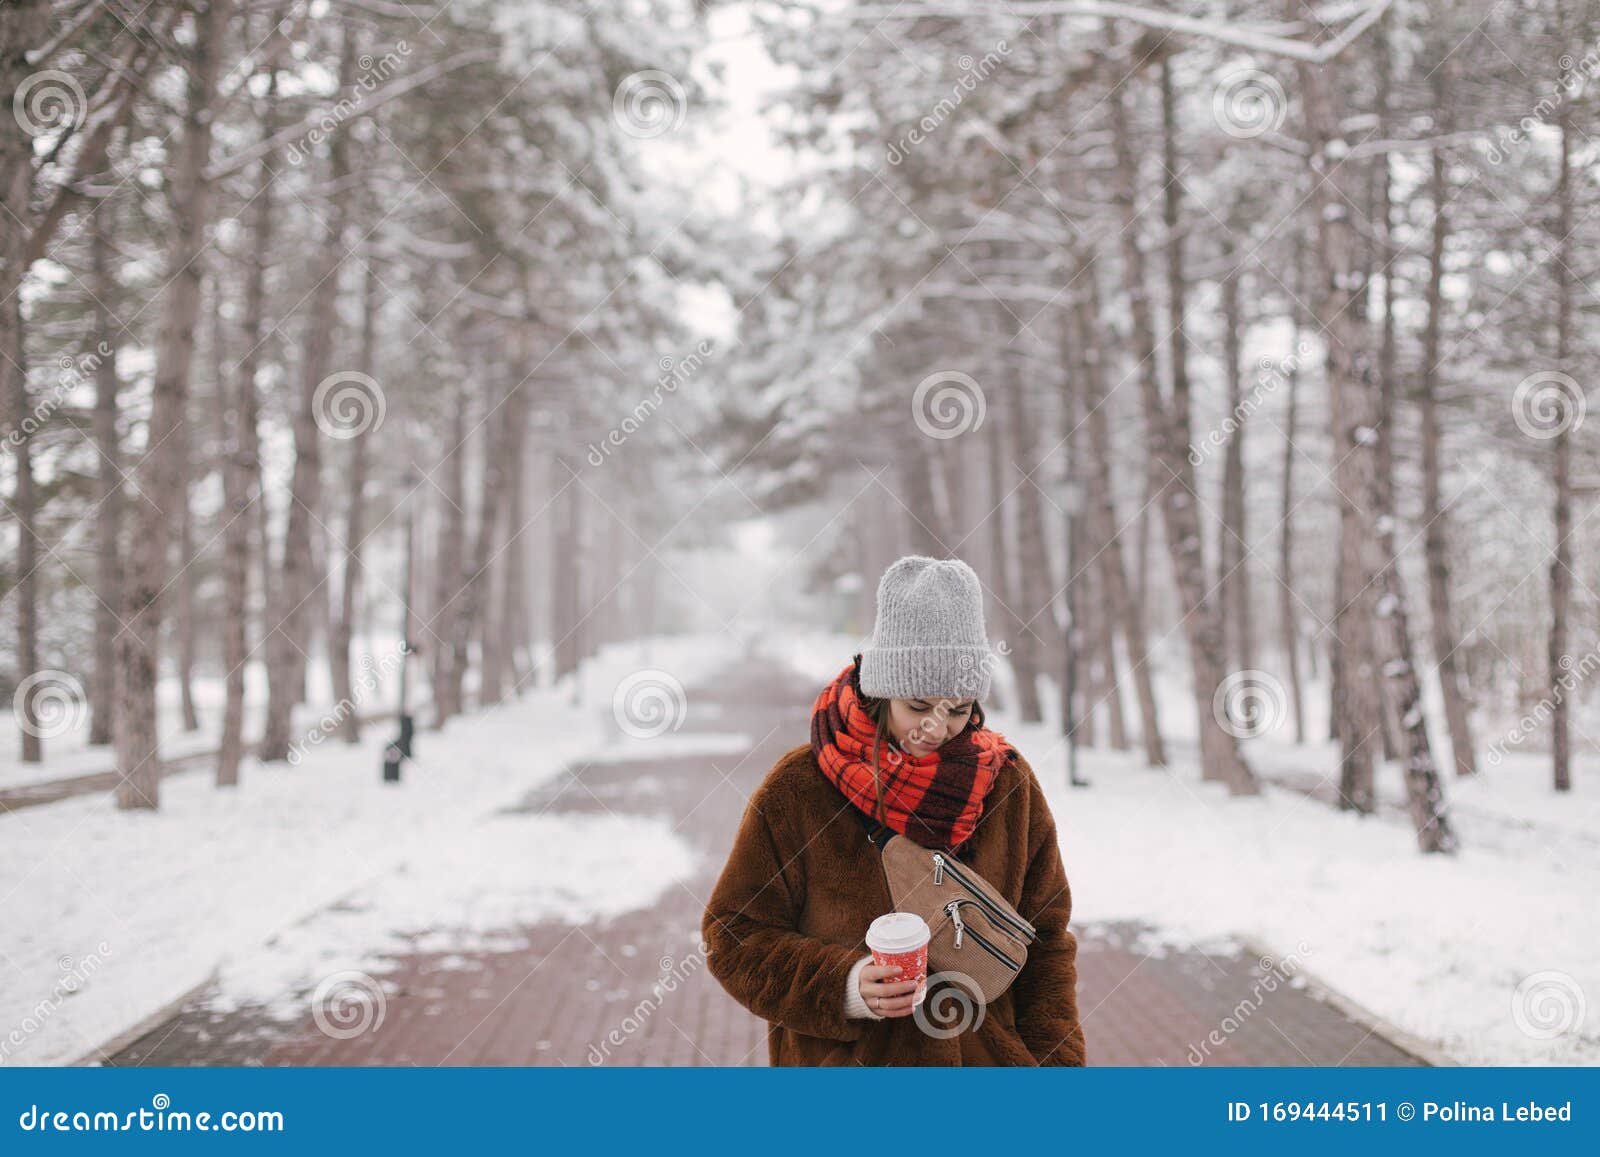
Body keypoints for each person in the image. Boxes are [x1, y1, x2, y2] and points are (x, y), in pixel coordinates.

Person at [701, 555, 1087, 1065]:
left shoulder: (1008, 784)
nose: (938, 727)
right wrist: (844, 984)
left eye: (958, 708)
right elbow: (733, 935)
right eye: (919, 707)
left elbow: (1047, 945)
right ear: (880, 693)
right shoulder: (798, 789)